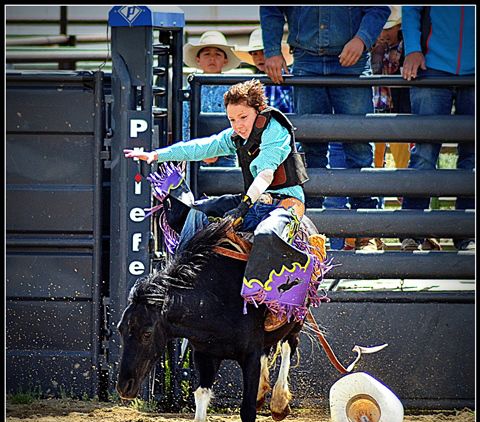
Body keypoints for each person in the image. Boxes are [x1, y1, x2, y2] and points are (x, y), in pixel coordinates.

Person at [124, 79, 327, 332]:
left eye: (243, 117)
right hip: (254, 203)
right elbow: (202, 147)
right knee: (196, 214)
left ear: (258, 110)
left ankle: (278, 304)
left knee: (267, 234)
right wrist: (156, 155)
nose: (238, 125)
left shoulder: (276, 131)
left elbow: (265, 174)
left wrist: (243, 207)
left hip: (285, 204)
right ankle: (186, 282)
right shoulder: (236, 136)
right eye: (232, 119)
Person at [260, 6, 391, 251]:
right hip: (309, 59)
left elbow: (378, 8)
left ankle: (367, 231)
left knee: (358, 145)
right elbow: (271, 9)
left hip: (349, 60)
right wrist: (272, 51)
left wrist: (361, 39)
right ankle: (310, 231)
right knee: (311, 147)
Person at [400, 6, 475, 252]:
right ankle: (412, 231)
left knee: (472, 158)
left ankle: (465, 234)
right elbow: (410, 9)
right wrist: (412, 49)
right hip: (430, 68)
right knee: (423, 152)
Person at [182, 30, 242, 167]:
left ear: (225, 60)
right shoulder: (190, 88)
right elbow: (185, 123)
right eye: (207, 54)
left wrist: (220, 149)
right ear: (198, 59)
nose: (212, 58)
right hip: (196, 152)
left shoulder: (233, 89)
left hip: (227, 152)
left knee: (227, 186)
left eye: (218, 54)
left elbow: (238, 122)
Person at [371, 6, 411, 171]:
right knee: (373, 160)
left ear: (398, 28)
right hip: (374, 110)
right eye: (380, 29)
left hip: (398, 111)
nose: (383, 33)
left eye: (388, 29)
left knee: (403, 160)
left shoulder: (406, 48)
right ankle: (374, 194)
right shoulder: (369, 47)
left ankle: (405, 193)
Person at [234, 27, 294, 113]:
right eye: (255, 54)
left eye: (264, 52)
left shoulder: (289, 76)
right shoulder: (252, 83)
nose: (259, 58)